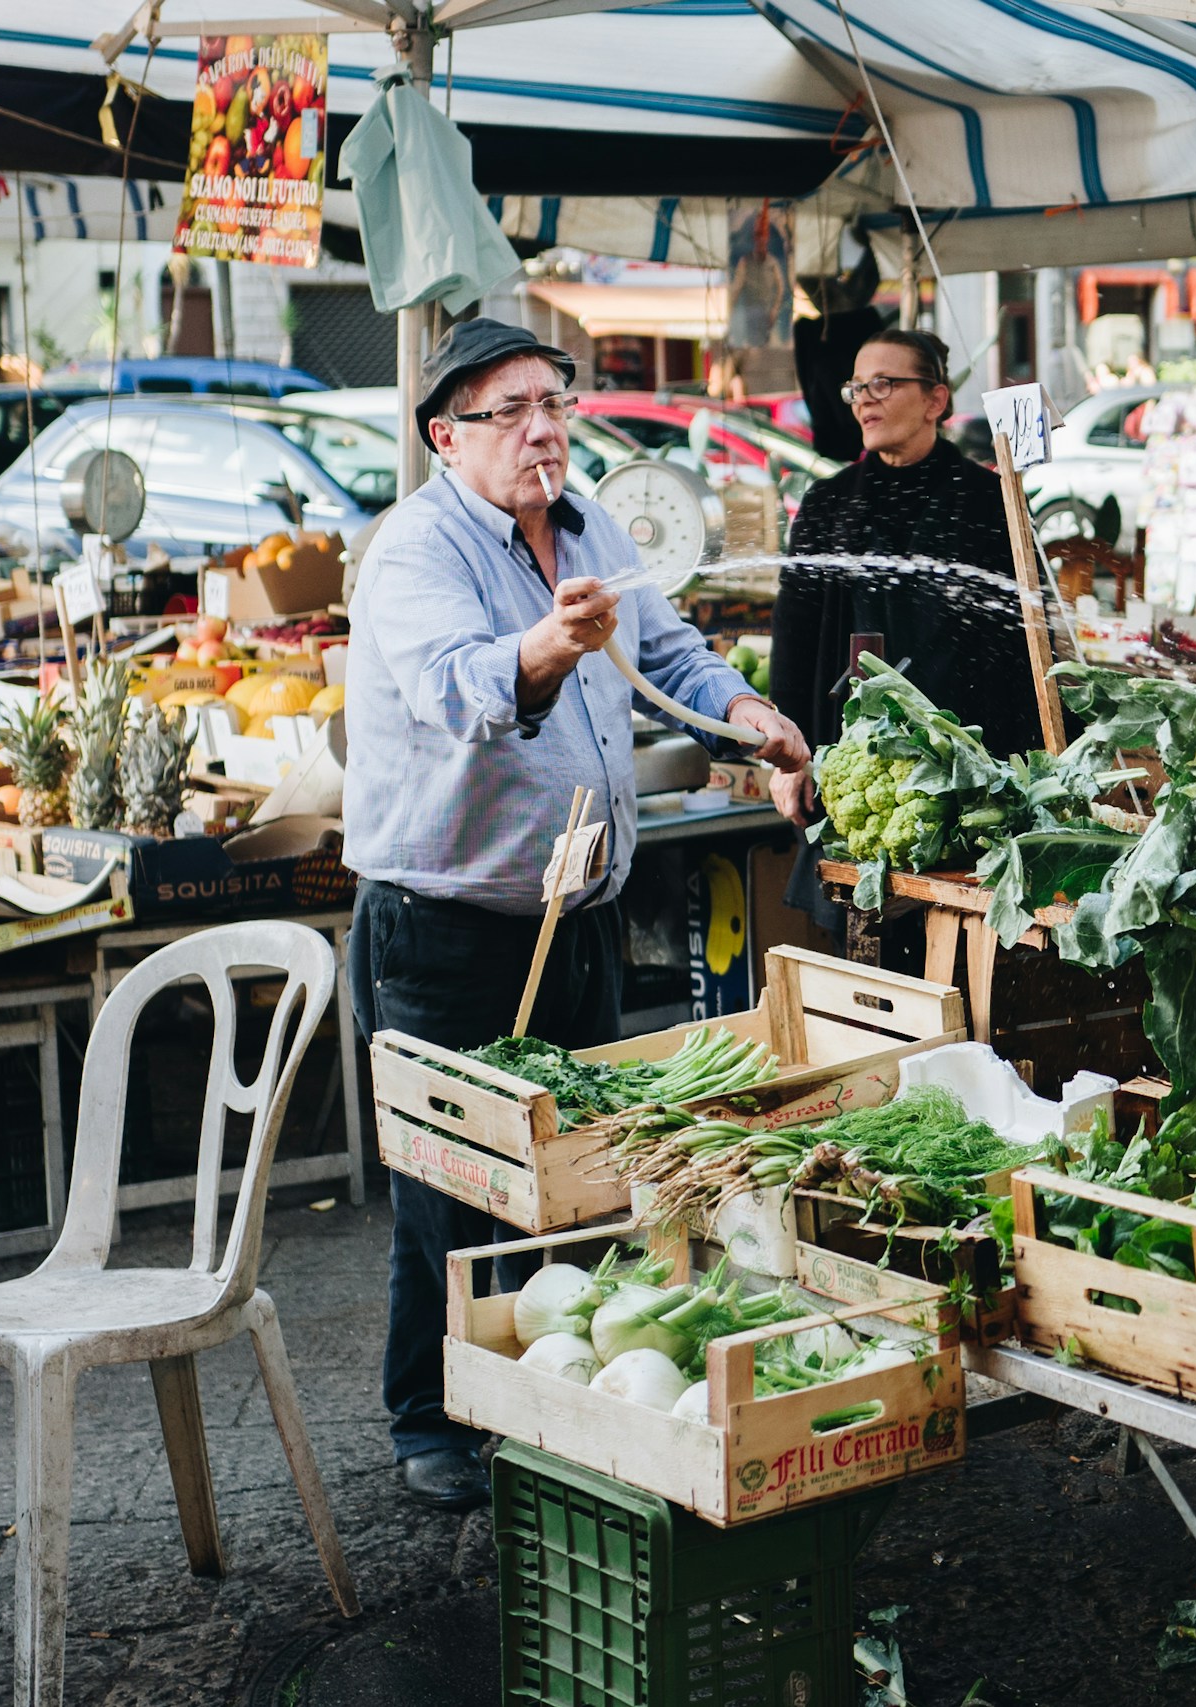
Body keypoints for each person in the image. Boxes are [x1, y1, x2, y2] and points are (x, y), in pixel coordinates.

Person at [343, 318, 808, 1512]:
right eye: (512, 410)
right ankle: (430, 1420)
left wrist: (747, 719)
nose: (545, 427)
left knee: (578, 1170)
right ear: (448, 435)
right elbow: (458, 692)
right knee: (454, 1186)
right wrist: (547, 646)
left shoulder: (593, 524)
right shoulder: (415, 550)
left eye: (554, 400)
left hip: (579, 912)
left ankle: (547, 1399)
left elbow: (672, 653)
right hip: (449, 925)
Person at [767, 328, 1043, 835]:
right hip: (854, 771)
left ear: (934, 400)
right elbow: (794, 641)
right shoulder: (827, 505)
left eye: (883, 384)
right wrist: (790, 758)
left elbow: (1028, 643)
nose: (863, 401)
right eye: (856, 388)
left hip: (972, 773)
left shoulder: (991, 500)